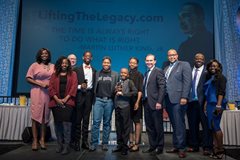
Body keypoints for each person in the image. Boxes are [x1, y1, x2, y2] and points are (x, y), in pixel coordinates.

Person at [164, 49, 192, 158]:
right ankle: (176, 145)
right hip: (168, 100)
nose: (171, 57)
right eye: (169, 55)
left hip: (179, 99)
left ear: (177, 55)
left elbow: (187, 81)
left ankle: (181, 148)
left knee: (179, 124)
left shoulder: (184, 65)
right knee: (174, 124)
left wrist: (184, 96)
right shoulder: (166, 68)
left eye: (173, 55)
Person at [26, 48, 55, 151]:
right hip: (37, 91)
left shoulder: (53, 66)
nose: (44, 55)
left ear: (48, 55)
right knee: (35, 116)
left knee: (45, 117)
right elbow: (28, 78)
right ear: (39, 55)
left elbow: (55, 79)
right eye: (42, 53)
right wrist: (40, 83)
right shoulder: (34, 65)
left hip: (48, 93)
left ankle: (42, 140)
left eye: (46, 53)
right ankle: (35, 140)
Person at [48, 56, 78, 155]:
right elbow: (51, 88)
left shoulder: (73, 74)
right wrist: (57, 99)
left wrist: (65, 99)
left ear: (68, 64)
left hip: (68, 102)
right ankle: (59, 144)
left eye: (66, 63)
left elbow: (74, 87)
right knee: (58, 124)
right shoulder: (54, 75)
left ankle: (66, 146)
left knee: (67, 124)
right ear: (59, 64)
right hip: (55, 102)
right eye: (62, 63)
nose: (64, 65)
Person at [89, 56, 118, 151]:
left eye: (107, 62)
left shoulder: (115, 74)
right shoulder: (97, 73)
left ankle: (105, 143)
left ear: (110, 64)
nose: (106, 64)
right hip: (98, 100)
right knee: (96, 122)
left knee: (106, 123)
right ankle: (94, 143)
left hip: (109, 101)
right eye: (104, 62)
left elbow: (117, 88)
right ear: (102, 63)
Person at [186, 53, 212, 155]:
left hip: (203, 103)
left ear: (204, 60)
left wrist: (207, 101)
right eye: (197, 58)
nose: (199, 60)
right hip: (191, 102)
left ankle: (207, 147)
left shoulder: (208, 72)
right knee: (192, 125)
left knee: (205, 126)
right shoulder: (189, 71)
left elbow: (210, 88)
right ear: (194, 59)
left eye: (201, 58)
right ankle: (194, 145)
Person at [142, 54, 166, 155]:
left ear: (155, 61)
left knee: (158, 126)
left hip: (156, 103)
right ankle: (152, 146)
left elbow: (162, 87)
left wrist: (159, 102)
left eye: (151, 60)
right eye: (147, 61)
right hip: (147, 103)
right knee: (149, 126)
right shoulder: (146, 73)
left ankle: (159, 147)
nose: (149, 62)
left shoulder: (158, 71)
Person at [72, 51, 96, 151]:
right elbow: (73, 84)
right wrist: (79, 86)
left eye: (89, 56)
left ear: (92, 58)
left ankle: (85, 142)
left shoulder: (94, 70)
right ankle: (76, 142)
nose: (88, 57)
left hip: (89, 95)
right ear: (83, 57)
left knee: (86, 120)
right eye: (86, 56)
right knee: (78, 120)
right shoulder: (76, 69)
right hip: (79, 94)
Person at [204, 59, 227, 159]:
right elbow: (207, 93)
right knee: (212, 127)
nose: (213, 67)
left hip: (217, 104)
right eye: (211, 66)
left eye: (215, 66)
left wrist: (218, 105)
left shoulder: (221, 77)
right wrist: (205, 104)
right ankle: (215, 148)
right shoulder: (210, 77)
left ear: (219, 67)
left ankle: (221, 150)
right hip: (209, 104)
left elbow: (221, 92)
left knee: (216, 126)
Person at [178, 2, 214, 66]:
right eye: (180, 17)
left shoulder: (211, 41)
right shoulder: (183, 47)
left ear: (200, 17)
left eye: (186, 16)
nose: (181, 21)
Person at [112, 68, 137, 155]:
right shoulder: (118, 82)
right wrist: (115, 90)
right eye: (121, 72)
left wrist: (124, 94)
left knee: (126, 127)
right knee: (118, 126)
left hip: (125, 107)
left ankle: (125, 147)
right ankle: (119, 145)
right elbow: (115, 92)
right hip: (117, 106)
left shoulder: (130, 82)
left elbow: (135, 92)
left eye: (124, 73)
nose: (123, 74)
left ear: (127, 75)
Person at [128, 57, 143, 152]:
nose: (132, 64)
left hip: (136, 102)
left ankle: (137, 144)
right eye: (131, 62)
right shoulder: (127, 74)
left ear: (137, 64)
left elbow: (140, 90)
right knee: (129, 122)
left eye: (134, 63)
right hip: (127, 102)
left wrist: (137, 102)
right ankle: (131, 142)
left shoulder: (139, 75)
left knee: (137, 122)